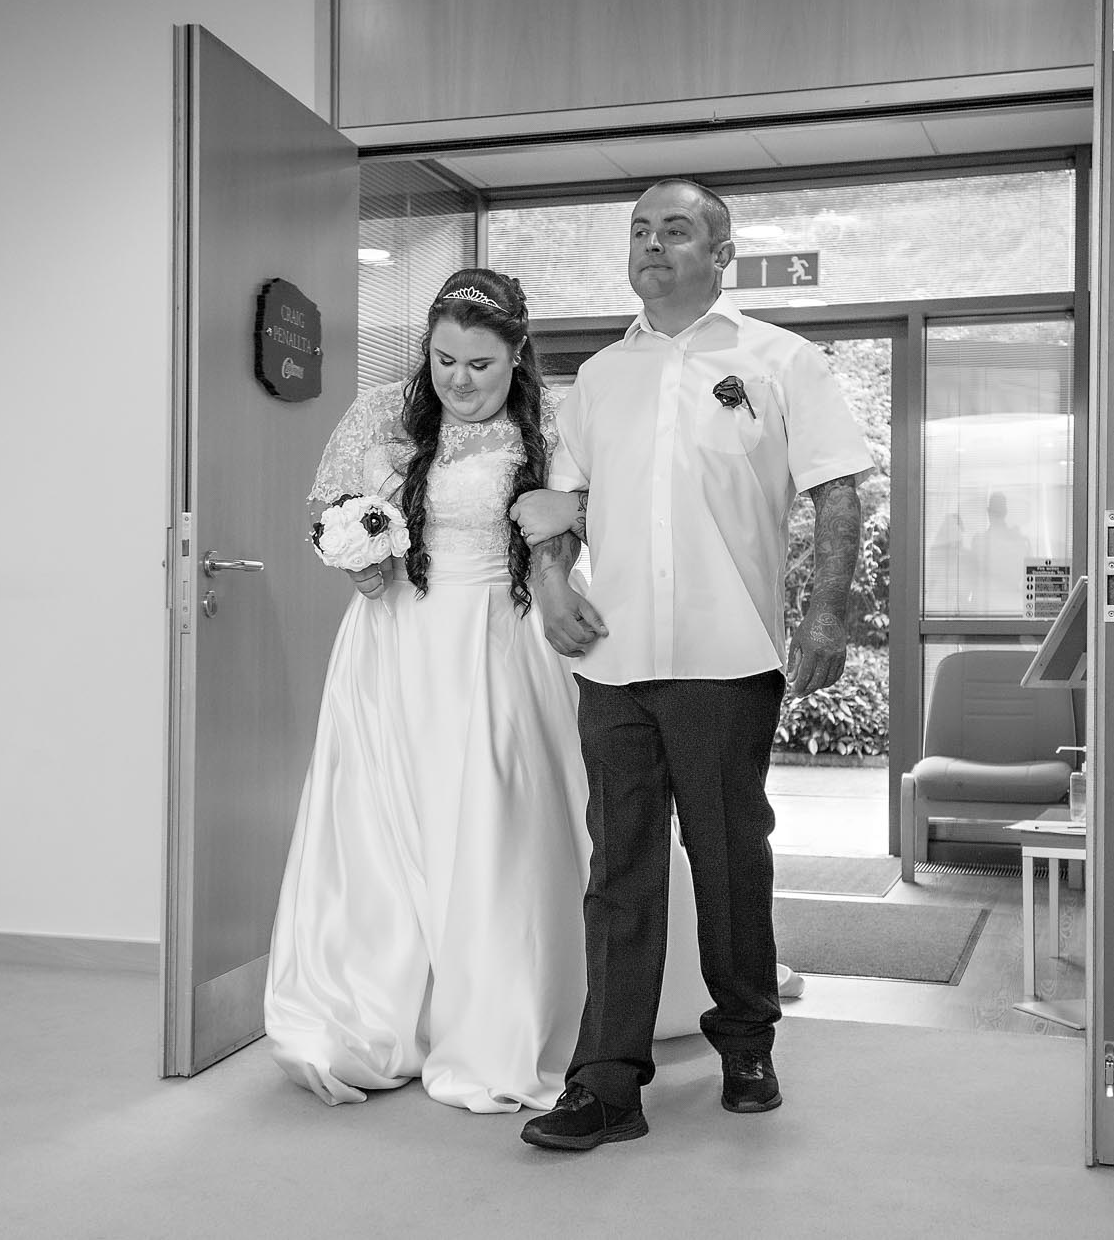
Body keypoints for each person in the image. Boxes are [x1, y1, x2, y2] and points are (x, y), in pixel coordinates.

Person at [263, 268, 766, 1114]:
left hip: (505, 638)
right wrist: (357, 555)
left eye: (480, 365)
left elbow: (577, 520)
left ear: (517, 358)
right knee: (384, 827)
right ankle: (386, 1006)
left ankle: (509, 1014)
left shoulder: (551, 421)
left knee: (502, 822)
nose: (457, 380)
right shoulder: (381, 413)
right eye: (443, 358)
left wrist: (557, 561)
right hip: (393, 650)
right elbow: (327, 511)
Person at [512, 180, 872, 1151]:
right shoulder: (595, 379)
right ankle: (605, 1082)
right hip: (612, 661)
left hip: (725, 656)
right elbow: (556, 507)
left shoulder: (778, 361)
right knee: (618, 868)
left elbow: (839, 491)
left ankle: (746, 1040)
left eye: (674, 230)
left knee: (726, 860)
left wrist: (828, 617)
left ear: (721, 249)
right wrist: (551, 586)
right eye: (638, 231)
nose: (651, 245)